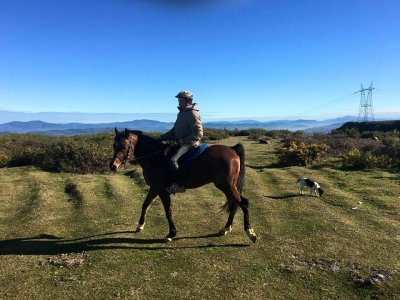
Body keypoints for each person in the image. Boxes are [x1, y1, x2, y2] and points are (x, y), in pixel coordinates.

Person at [160, 90, 203, 194]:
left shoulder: (193, 113)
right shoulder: (181, 113)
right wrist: (161, 137)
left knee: (173, 160)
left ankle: (179, 185)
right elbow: (175, 131)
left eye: (180, 100)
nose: (178, 102)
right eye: (178, 100)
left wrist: (182, 140)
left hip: (189, 144)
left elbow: (199, 133)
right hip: (181, 142)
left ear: (188, 101)